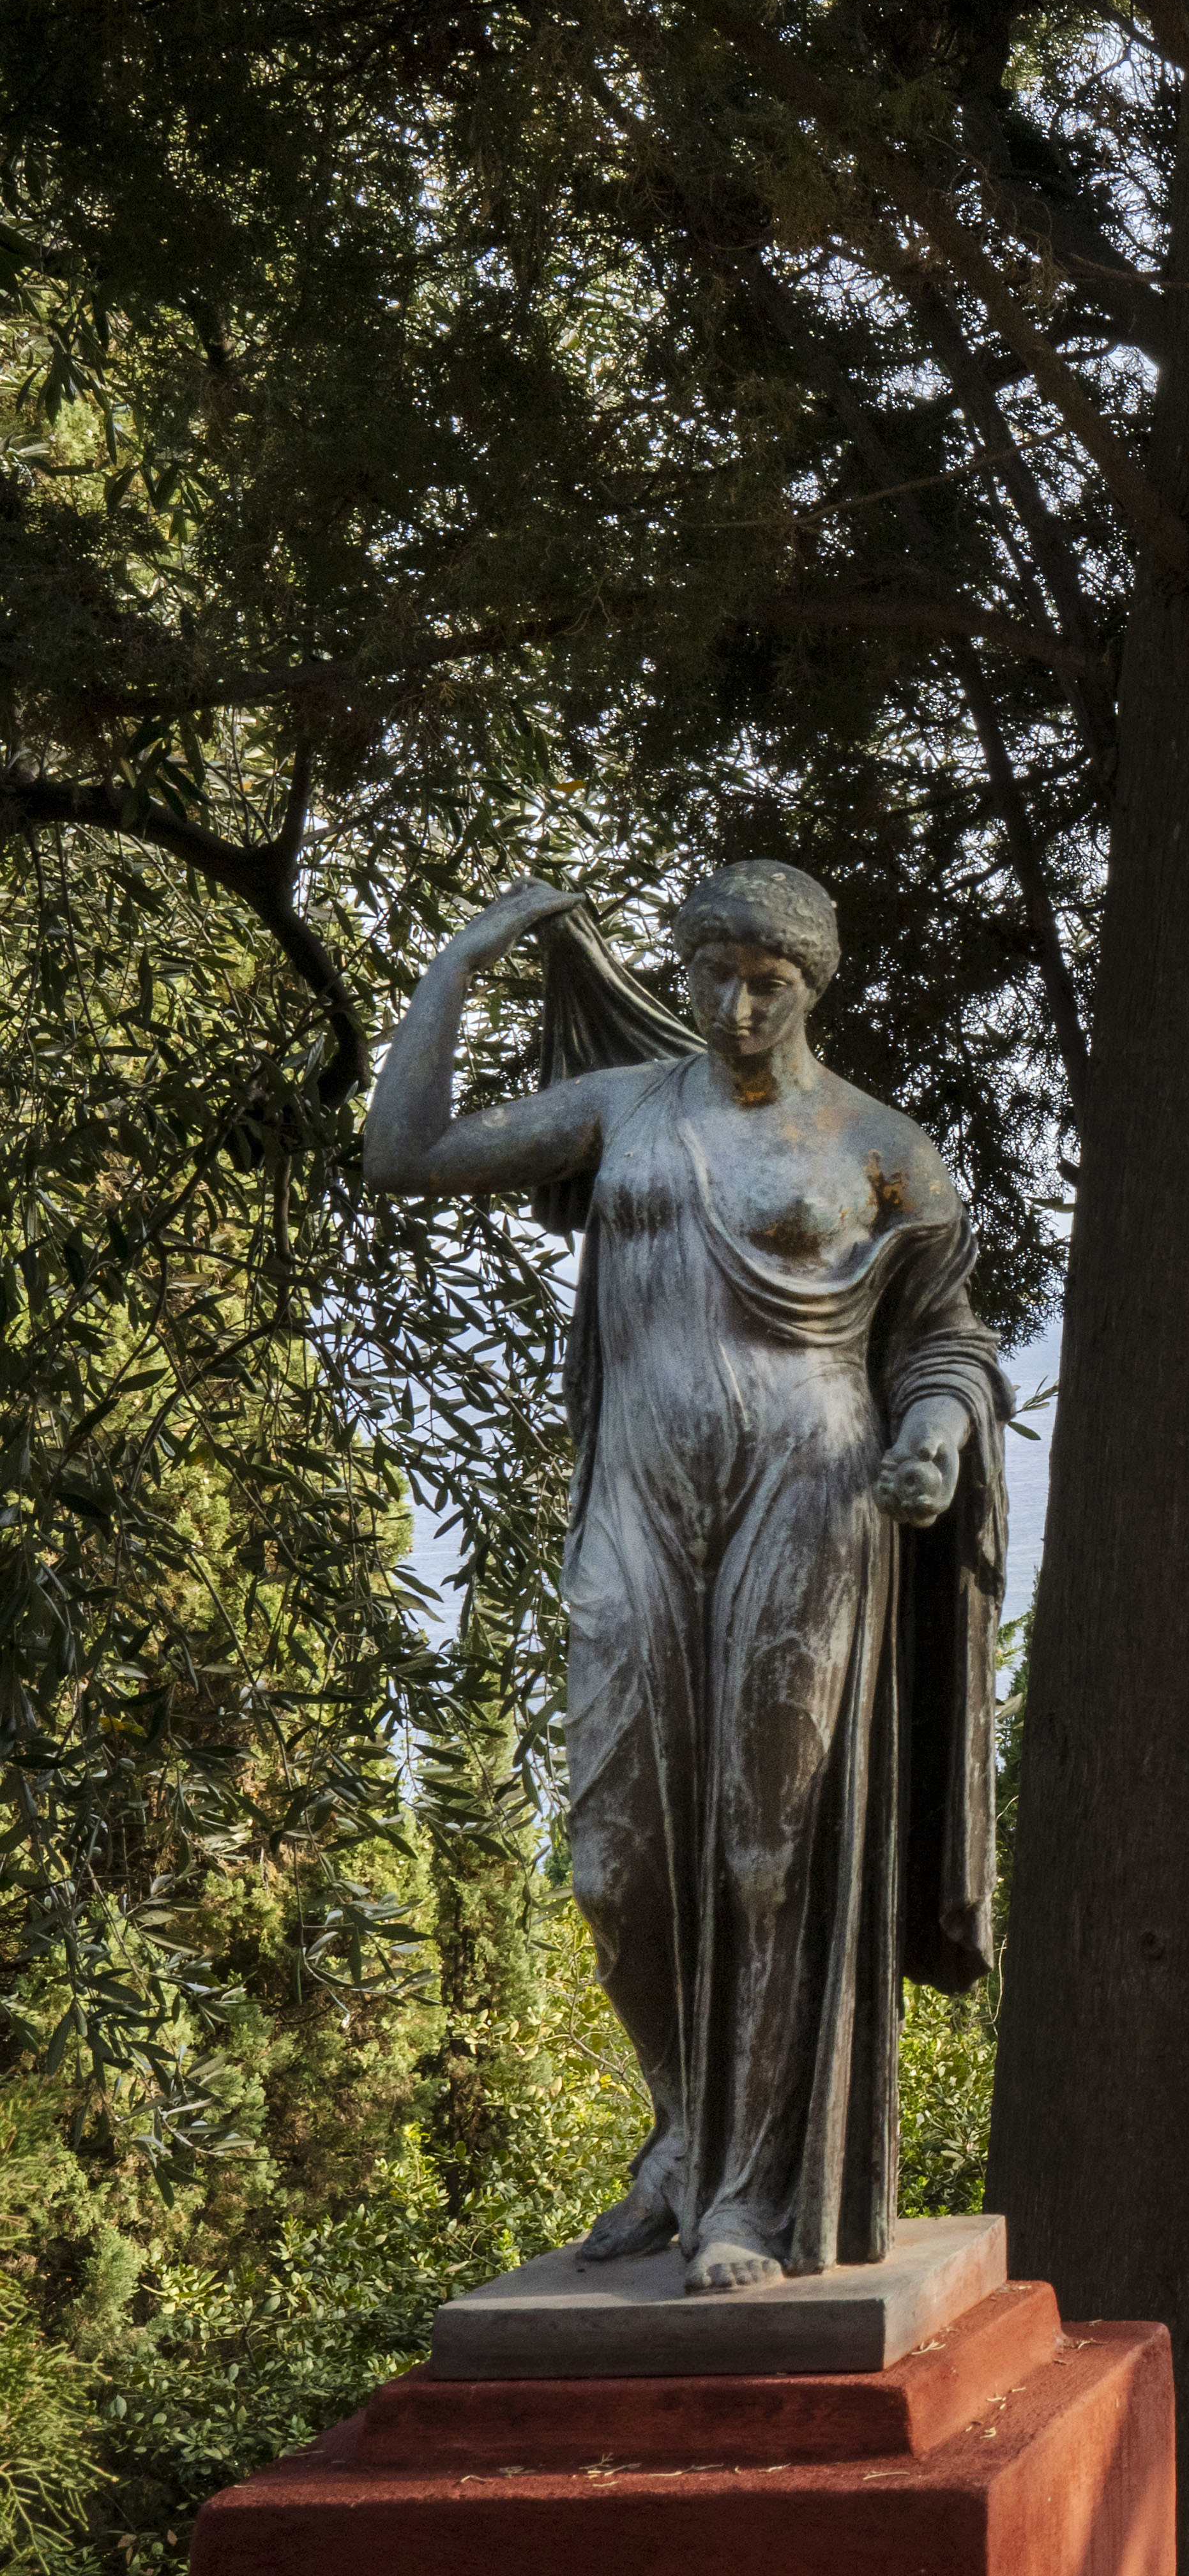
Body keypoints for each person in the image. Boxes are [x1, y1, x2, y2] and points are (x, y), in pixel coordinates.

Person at [363, 862, 1007, 2292]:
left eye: (765, 974)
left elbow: (946, 1337)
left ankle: (747, 2197)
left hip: (813, 1489)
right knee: (612, 1859)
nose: (735, 1001)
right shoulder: (624, 1108)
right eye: (712, 971)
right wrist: (461, 960)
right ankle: (679, 2126)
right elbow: (405, 1154)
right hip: (642, 1498)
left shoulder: (883, 1147)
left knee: (766, 1850)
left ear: (813, 978)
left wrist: (936, 1436)